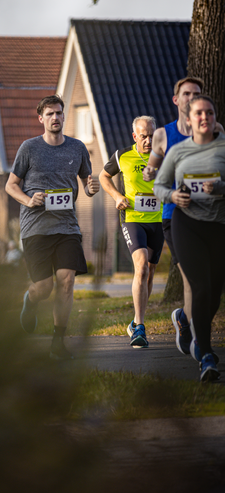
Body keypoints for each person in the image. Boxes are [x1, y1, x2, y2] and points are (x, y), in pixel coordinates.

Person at [5, 95, 100, 360]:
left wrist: (92, 189)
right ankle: (31, 300)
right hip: (35, 228)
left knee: (66, 281)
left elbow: (87, 183)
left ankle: (58, 343)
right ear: (41, 118)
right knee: (44, 287)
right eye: (50, 114)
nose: (55, 118)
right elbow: (10, 185)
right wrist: (28, 199)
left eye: (59, 113)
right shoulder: (29, 148)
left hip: (67, 227)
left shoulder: (77, 148)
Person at [143, 78, 223, 357]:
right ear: (176, 100)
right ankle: (201, 343)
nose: (191, 98)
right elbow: (152, 168)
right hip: (175, 215)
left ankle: (186, 320)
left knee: (208, 284)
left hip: (211, 216)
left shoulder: (217, 132)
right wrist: (151, 174)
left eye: (197, 94)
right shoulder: (164, 135)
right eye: (186, 94)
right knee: (192, 279)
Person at [99, 116, 164, 349]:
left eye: (151, 135)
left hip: (158, 220)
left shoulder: (164, 156)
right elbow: (103, 176)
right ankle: (140, 327)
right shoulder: (123, 155)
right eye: (143, 136)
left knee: (149, 273)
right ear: (135, 136)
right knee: (142, 266)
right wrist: (117, 196)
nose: (148, 140)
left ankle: (136, 321)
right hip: (133, 218)